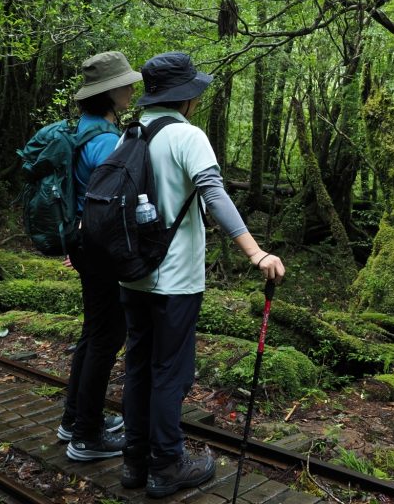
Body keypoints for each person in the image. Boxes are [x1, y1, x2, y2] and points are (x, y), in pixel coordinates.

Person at [119, 52, 285, 496]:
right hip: (174, 280)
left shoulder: (129, 135)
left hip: (132, 276)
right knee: (170, 373)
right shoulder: (186, 136)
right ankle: (168, 465)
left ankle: (134, 463)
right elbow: (213, 194)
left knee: (138, 368)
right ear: (186, 97)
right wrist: (256, 253)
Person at [57, 51, 143, 461]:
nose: (131, 88)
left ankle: (74, 419)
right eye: (126, 83)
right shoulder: (108, 141)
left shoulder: (83, 130)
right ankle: (87, 437)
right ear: (109, 93)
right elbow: (115, 204)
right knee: (107, 336)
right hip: (100, 246)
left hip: (82, 241)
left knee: (94, 332)